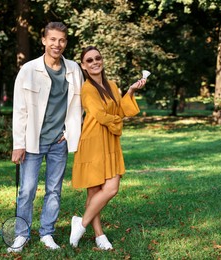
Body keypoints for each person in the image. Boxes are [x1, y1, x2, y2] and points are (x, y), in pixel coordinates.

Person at [9, 22, 84, 252]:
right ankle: (21, 234)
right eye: (52, 39)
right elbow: (20, 110)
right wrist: (18, 144)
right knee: (27, 189)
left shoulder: (73, 69)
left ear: (66, 43)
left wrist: (69, 132)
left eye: (61, 40)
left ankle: (47, 233)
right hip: (32, 141)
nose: (57, 44)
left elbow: (79, 105)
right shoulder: (29, 70)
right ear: (43, 40)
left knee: (54, 190)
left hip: (58, 143)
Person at [69, 46, 146, 250]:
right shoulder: (87, 88)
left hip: (110, 140)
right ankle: (99, 236)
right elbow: (100, 115)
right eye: (89, 60)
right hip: (93, 142)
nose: (95, 62)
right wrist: (118, 121)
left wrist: (130, 91)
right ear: (84, 66)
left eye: (97, 58)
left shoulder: (111, 85)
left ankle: (80, 223)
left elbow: (119, 109)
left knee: (111, 188)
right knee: (93, 191)